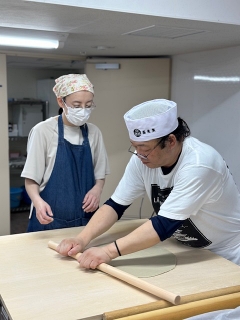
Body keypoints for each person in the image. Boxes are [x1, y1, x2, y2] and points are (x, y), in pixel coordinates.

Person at [57, 99, 240, 267]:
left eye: (144, 149)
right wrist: (82, 239)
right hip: (186, 250)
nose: (139, 155)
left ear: (170, 141)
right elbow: (116, 205)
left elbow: (164, 224)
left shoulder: (200, 164)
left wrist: (107, 251)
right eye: (135, 146)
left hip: (225, 253)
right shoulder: (143, 159)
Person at [21, 74, 110, 232]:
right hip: (48, 220)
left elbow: (100, 174)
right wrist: (38, 202)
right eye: (76, 105)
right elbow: (31, 179)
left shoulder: (94, 132)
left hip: (85, 221)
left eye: (88, 105)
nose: (83, 110)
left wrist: (97, 190)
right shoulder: (43, 131)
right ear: (61, 101)